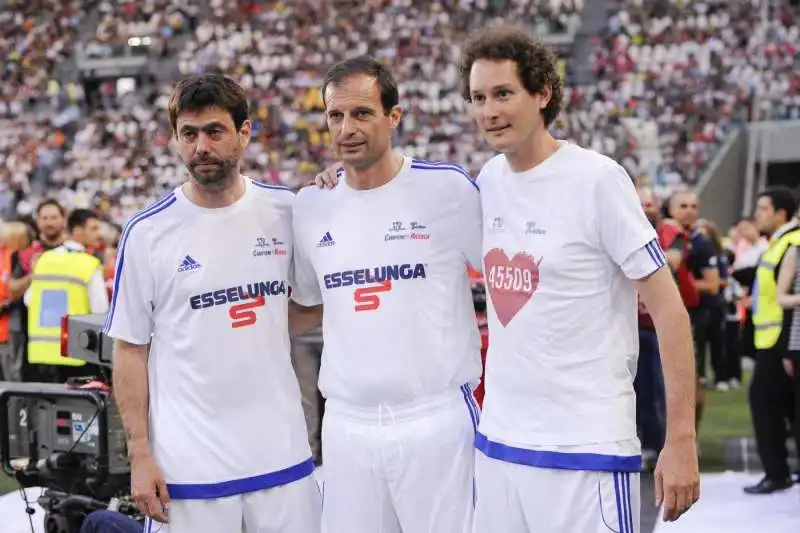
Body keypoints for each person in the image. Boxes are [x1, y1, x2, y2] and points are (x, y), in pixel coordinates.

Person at [460, 26, 698, 531]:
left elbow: (670, 311)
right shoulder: (488, 180)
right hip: (500, 445)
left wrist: (681, 441)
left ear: (543, 93)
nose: (489, 111)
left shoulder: (597, 179)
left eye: (503, 94)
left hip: (583, 450)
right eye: (478, 97)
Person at [104, 74, 321, 533]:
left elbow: (307, 306)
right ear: (177, 140)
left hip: (280, 457)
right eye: (189, 134)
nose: (201, 146)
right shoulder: (147, 233)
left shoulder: (286, 210)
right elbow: (129, 349)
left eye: (214, 131)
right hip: (189, 472)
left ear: (244, 132)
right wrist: (139, 454)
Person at [294, 56, 483, 533]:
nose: (346, 128)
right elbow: (307, 305)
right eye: (335, 116)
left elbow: (503, 281)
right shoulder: (312, 206)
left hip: (437, 421)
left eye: (362, 113)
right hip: (347, 426)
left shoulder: (448, 190)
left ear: (394, 116)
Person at [745, 186, 800, 495]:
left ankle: (776, 472)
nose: (758, 214)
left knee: (765, 406)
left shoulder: (791, 242)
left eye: (763, 208)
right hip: (773, 337)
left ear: (780, 213)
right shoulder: (780, 242)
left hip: (780, 339)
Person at [24, 208, 109, 383]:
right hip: (78, 352)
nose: (98, 234)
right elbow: (101, 310)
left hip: (41, 354)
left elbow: (29, 300)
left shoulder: (44, 259)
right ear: (77, 231)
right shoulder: (89, 264)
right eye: (93, 228)